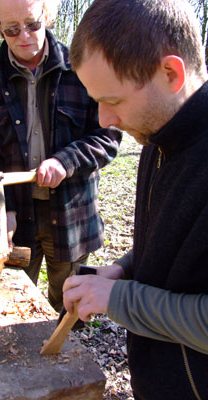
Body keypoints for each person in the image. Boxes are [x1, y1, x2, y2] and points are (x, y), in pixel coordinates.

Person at [62, 0, 208, 398]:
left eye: (114, 100)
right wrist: (123, 270)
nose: (104, 120)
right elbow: (174, 252)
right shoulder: (158, 134)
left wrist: (119, 299)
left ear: (170, 73)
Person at [0, 0, 121, 312]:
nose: (24, 35)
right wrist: (0, 210)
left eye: (32, 24)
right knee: (14, 301)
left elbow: (108, 136)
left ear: (46, 16)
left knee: (68, 301)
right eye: (11, 29)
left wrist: (66, 161)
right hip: (16, 217)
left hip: (71, 214)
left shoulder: (82, 69)